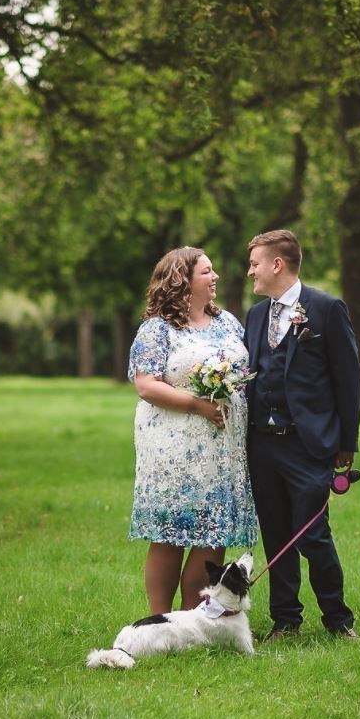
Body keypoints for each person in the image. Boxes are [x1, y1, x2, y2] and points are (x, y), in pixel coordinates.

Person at [126, 246, 258, 614]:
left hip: (224, 447)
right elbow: (146, 385)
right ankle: (158, 619)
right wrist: (197, 405)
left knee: (214, 531)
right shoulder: (157, 330)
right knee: (170, 534)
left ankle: (193, 619)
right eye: (207, 272)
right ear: (182, 280)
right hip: (174, 445)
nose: (215, 277)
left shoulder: (228, 323)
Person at [243, 230, 360, 639]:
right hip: (261, 444)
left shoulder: (326, 309)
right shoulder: (256, 315)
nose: (249, 272)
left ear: (277, 264)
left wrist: (347, 443)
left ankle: (338, 620)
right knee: (276, 533)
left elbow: (349, 380)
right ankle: (286, 620)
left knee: (312, 532)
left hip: (308, 442)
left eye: (255, 263)